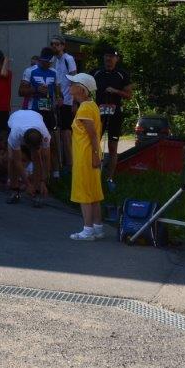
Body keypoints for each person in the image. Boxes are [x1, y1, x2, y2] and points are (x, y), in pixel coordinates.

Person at [67, 72, 105, 241]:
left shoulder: (84, 108)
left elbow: (93, 135)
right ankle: (97, 227)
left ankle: (88, 230)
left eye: (73, 84)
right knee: (93, 192)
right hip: (90, 155)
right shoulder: (91, 105)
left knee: (84, 193)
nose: (70, 86)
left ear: (81, 90)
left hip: (85, 157)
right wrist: (96, 155)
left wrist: (95, 155)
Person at [92, 49, 133, 190]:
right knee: (94, 143)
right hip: (99, 112)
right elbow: (85, 88)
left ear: (117, 59)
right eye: (107, 56)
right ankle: (93, 175)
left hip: (115, 113)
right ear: (104, 57)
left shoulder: (122, 74)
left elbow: (129, 95)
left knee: (113, 146)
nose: (109, 59)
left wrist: (115, 91)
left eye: (112, 57)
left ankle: (110, 178)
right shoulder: (96, 72)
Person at [19, 48, 59, 174]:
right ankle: (33, 171)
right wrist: (36, 90)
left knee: (51, 141)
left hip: (48, 111)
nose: (46, 64)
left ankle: (54, 174)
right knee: (34, 142)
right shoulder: (30, 71)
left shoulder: (54, 72)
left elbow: (57, 90)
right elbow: (21, 91)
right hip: (33, 111)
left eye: (48, 62)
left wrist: (59, 99)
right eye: (43, 61)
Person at [5, 109, 51, 207]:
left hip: (35, 117)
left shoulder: (45, 134)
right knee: (11, 158)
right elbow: (17, 162)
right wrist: (28, 185)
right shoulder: (15, 134)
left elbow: (46, 158)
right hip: (16, 117)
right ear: (25, 143)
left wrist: (44, 181)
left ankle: (37, 190)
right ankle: (14, 190)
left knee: (37, 157)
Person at [50, 36, 77, 169]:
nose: (54, 46)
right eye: (52, 44)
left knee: (66, 134)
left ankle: (71, 165)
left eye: (57, 44)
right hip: (58, 101)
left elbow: (74, 79)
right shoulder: (55, 60)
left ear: (63, 46)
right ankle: (63, 165)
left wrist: (74, 101)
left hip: (67, 101)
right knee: (59, 134)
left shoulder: (68, 59)